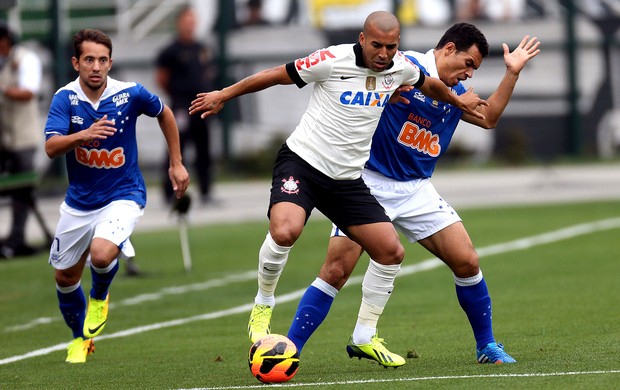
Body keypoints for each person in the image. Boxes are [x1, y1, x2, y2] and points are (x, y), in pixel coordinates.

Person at [189, 11, 488, 346]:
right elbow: (275, 75)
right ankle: (263, 304)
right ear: (363, 39)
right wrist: (223, 95)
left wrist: (457, 100)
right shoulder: (332, 59)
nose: (383, 54)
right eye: (377, 45)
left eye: (390, 47)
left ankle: (365, 336)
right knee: (286, 231)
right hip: (303, 162)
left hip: (346, 179)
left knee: (390, 251)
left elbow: (430, 85)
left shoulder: (400, 67)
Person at [286, 23, 540, 366]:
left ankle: (487, 346)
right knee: (336, 269)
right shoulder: (405, 67)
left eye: (474, 70)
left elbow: (490, 117)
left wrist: (512, 73)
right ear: (448, 49)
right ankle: (288, 349)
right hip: (368, 183)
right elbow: (364, 84)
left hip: (416, 188)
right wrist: (386, 94)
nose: (468, 73)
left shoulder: (456, 91)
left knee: (467, 261)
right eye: (467, 63)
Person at [44, 29, 189, 363]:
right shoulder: (65, 99)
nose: (96, 66)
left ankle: (99, 296)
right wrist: (83, 135)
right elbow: (51, 147)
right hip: (79, 202)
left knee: (101, 254)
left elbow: (165, 113)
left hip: (124, 194)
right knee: (65, 277)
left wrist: (176, 163)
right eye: (89, 59)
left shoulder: (130, 94)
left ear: (111, 62)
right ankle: (80, 338)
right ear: (76, 63)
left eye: (103, 59)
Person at [156, 6, 216, 204]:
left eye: (193, 20)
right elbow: (162, 79)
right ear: (179, 22)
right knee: (176, 148)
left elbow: (207, 73)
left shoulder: (201, 48)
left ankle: (206, 191)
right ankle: (169, 191)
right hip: (181, 107)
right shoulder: (170, 51)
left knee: (204, 149)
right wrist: (178, 95)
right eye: (187, 20)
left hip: (202, 107)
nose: (190, 24)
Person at [0, 24, 43, 258]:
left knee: (23, 189)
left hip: (23, 136)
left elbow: (29, 91)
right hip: (3, 137)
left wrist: (4, 89)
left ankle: (17, 238)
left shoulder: (26, 59)